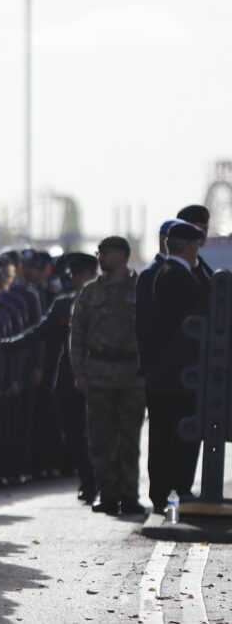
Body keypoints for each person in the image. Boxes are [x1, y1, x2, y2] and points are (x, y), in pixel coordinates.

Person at [3, 253, 99, 503]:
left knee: (101, 434)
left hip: (100, 378)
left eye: (82, 274)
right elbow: (39, 332)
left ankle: (105, 482)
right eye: (75, 275)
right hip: (68, 379)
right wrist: (8, 345)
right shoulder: (62, 305)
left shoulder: (106, 303)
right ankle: (88, 481)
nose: (78, 279)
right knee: (73, 435)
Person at [68, 238, 144, 515]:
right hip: (98, 371)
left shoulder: (140, 289)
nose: (100, 258)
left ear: (123, 255)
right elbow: (77, 337)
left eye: (107, 253)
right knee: (100, 438)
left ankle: (130, 494)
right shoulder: (89, 294)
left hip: (131, 373)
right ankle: (107, 493)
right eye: (99, 253)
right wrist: (79, 372)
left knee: (129, 438)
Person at [146, 220, 207, 514]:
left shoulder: (172, 273)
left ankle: (168, 492)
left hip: (167, 375)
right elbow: (181, 329)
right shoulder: (176, 277)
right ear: (192, 246)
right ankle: (169, 493)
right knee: (171, 436)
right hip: (175, 375)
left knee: (167, 434)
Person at [135, 220, 179, 377]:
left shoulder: (174, 269)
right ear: (164, 239)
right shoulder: (151, 272)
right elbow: (145, 322)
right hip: (159, 361)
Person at [176, 205, 213, 282]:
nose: (203, 234)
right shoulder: (171, 269)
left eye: (205, 229)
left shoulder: (200, 265)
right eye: (198, 229)